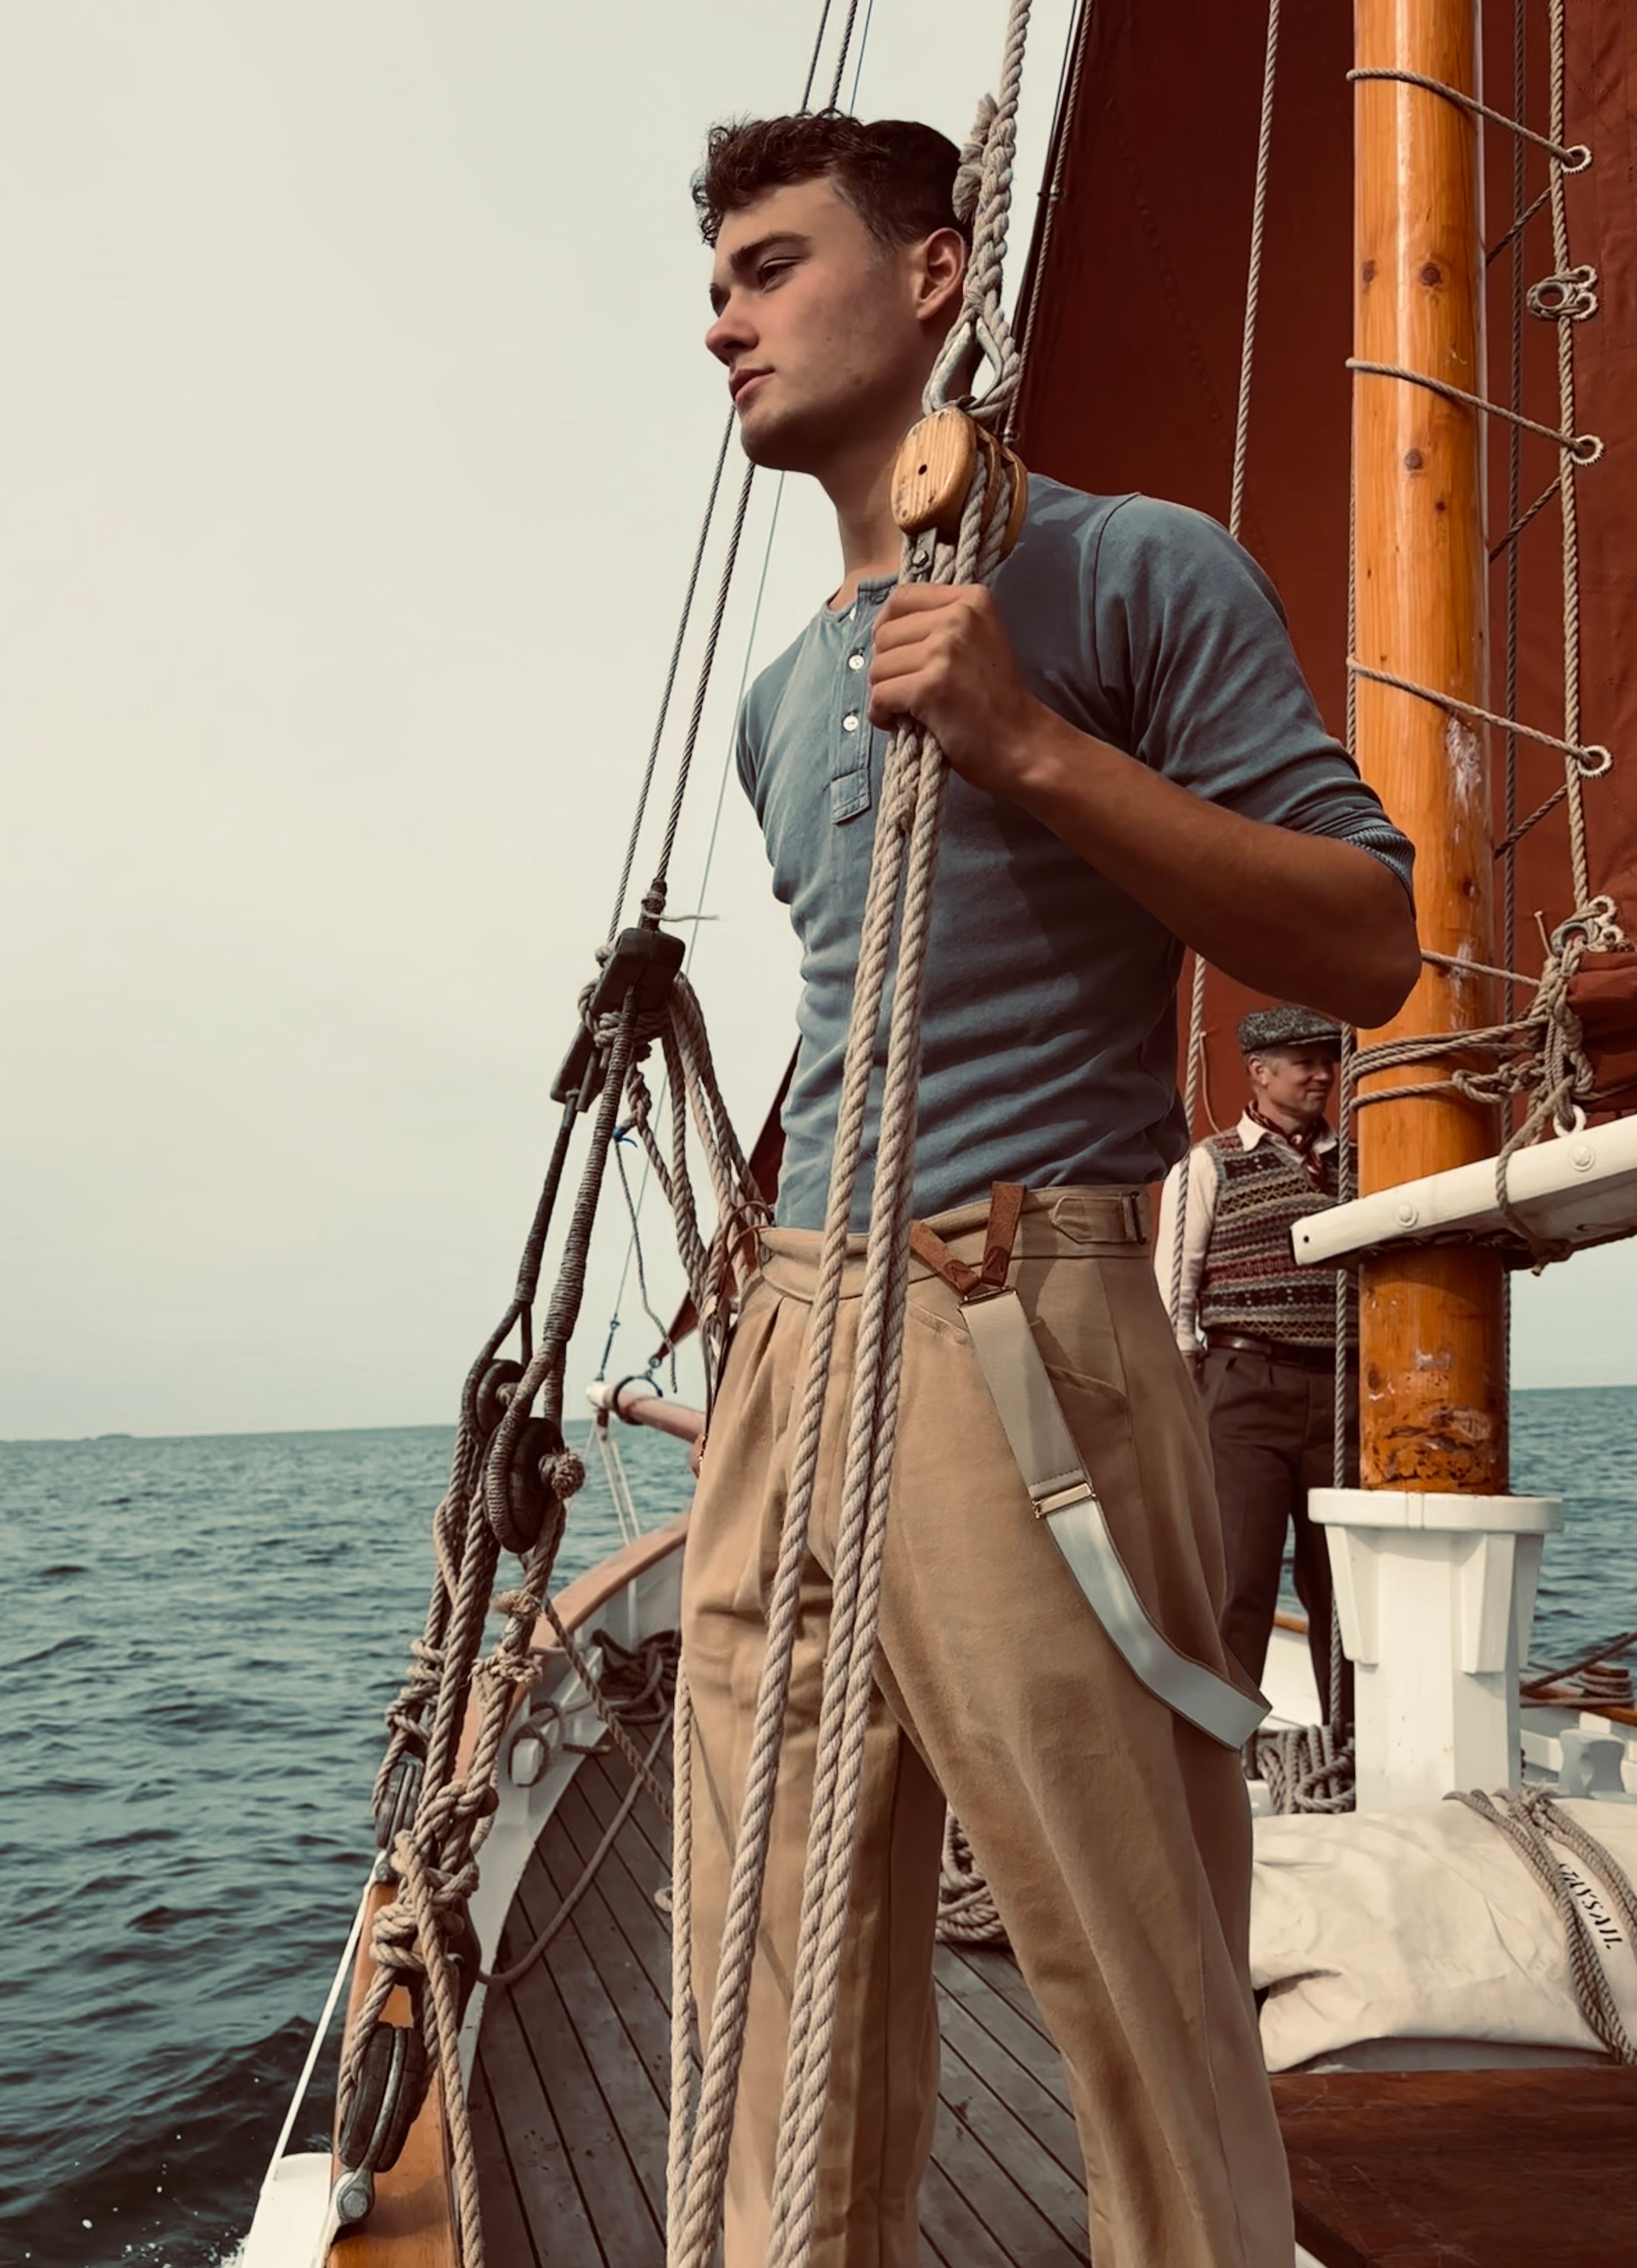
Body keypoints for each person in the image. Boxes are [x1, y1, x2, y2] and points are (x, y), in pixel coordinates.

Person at [681, 113, 1419, 2268]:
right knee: (764, 1986)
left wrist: (1030, 748)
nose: (718, 315)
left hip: (1023, 1319)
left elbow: (1362, 940)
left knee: (1128, 1971)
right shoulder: (771, 699)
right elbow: (856, 1015)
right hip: (796, 1340)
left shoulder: (1132, 569)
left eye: (768, 263)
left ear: (931, 274)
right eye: (714, 276)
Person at [1157, 1005, 1358, 1725]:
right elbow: (1175, 1291)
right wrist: (1190, 1393)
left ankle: (1348, 1740)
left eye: (1327, 1060)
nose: (1322, 1074)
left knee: (1342, 1583)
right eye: (1304, 1061)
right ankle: (1225, 1750)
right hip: (1242, 1390)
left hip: (1342, 1391)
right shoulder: (1207, 1165)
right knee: (1239, 1578)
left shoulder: (1363, 1167)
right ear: (1260, 1072)